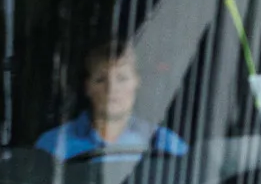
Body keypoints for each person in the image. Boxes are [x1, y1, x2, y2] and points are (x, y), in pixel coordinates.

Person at [36, 41, 188, 162]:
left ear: (137, 83)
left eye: (122, 78)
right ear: (87, 87)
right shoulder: (53, 145)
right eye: (101, 80)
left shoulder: (164, 144)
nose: (111, 88)